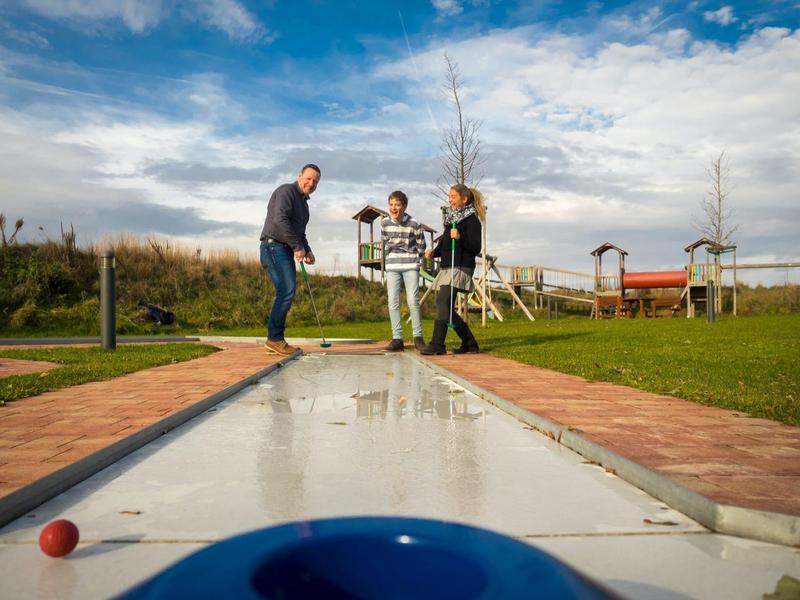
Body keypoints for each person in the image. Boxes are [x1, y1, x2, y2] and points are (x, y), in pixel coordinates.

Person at [259, 164, 321, 356]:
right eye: (308, 178)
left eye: (315, 181)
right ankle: (275, 339)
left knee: (287, 290)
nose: (311, 183)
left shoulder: (304, 205)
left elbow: (300, 233)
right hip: (273, 246)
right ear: (299, 175)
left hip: (284, 249)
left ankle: (274, 338)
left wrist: (307, 249)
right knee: (286, 289)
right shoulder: (286, 191)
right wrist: (297, 247)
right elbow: (280, 220)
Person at [421, 184, 485, 355]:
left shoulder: (472, 220)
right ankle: (470, 343)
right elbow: (445, 245)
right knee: (446, 306)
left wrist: (460, 237)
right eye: (449, 196)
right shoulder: (451, 220)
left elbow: (475, 247)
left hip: (462, 266)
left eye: (453, 196)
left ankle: (437, 344)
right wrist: (433, 253)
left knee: (442, 302)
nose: (450, 199)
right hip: (448, 266)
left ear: (464, 199)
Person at [381, 190, 426, 352]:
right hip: (392, 266)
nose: (394, 208)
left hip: (410, 266)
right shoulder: (384, 223)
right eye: (391, 204)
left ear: (404, 206)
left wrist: (413, 256)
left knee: (413, 301)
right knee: (392, 301)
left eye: (397, 205)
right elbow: (386, 242)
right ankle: (397, 338)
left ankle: (418, 338)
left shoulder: (414, 223)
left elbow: (422, 245)